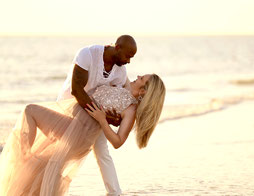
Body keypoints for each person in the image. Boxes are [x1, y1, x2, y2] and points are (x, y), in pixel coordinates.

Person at [0, 74, 166, 195]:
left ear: (144, 91)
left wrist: (102, 120)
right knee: (43, 163)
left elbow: (118, 142)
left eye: (142, 78)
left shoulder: (131, 110)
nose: (138, 75)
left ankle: (25, 158)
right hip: (73, 125)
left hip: (80, 134)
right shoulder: (124, 87)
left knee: (30, 110)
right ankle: (27, 163)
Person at [57, 35, 137, 195]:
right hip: (70, 107)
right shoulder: (87, 54)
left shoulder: (120, 72)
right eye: (128, 56)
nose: (128, 61)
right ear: (118, 47)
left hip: (95, 114)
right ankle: (51, 185)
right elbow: (77, 90)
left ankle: (115, 192)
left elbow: (113, 102)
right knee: (63, 151)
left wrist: (113, 119)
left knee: (102, 150)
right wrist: (100, 116)